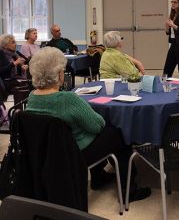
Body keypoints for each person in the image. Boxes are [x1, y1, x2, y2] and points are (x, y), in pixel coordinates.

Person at [26, 47, 151, 201]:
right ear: (59, 74)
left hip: (46, 154)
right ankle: (130, 191)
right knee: (118, 133)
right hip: (74, 154)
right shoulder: (67, 99)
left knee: (93, 132)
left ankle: (98, 177)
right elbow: (97, 125)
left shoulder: (32, 97)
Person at [0, 34, 28, 100]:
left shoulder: (15, 54)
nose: (15, 44)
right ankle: (19, 108)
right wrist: (14, 63)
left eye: (15, 42)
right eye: (13, 42)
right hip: (5, 81)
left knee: (28, 83)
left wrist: (23, 68)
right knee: (23, 84)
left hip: (14, 79)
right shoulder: (1, 54)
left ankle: (22, 107)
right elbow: (1, 71)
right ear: (5, 45)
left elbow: (18, 72)